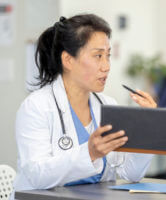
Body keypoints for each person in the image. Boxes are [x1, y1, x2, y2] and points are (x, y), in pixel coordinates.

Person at [14, 14, 156, 191]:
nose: (106, 66)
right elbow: (36, 176)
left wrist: (149, 126)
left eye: (108, 56)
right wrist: (89, 153)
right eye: (98, 56)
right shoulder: (36, 107)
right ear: (68, 60)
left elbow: (130, 173)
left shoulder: (107, 105)